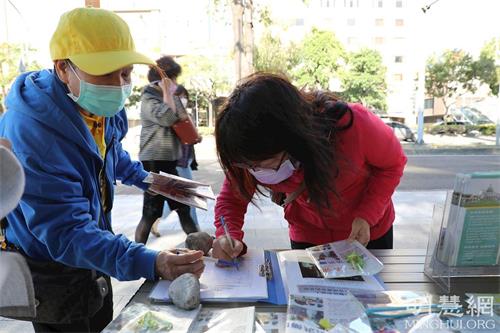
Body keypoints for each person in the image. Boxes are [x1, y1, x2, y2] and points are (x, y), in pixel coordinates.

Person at [0, 8, 204, 332]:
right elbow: (66, 234)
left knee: (100, 317)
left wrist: (148, 179)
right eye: (106, 73)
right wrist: (151, 261)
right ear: (63, 68)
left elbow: (111, 154)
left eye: (125, 74)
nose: (118, 86)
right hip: (52, 270)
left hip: (95, 248)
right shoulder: (31, 134)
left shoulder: (98, 106)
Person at [211, 73, 407, 262]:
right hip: (307, 235)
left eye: (264, 163)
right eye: (247, 165)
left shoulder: (354, 125)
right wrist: (227, 236)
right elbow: (232, 199)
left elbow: (392, 165)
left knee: (371, 293)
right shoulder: (246, 150)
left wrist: (367, 215)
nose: (254, 171)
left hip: (367, 232)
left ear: (293, 139)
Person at [135, 56, 199, 244]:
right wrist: (168, 94)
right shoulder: (148, 97)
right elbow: (167, 117)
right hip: (154, 161)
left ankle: (203, 252)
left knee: (184, 208)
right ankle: (136, 256)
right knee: (150, 213)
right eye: (172, 79)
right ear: (162, 79)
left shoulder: (172, 96)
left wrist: (171, 96)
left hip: (171, 161)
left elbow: (182, 117)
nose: (175, 83)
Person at [151, 84, 200, 237]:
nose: (183, 99)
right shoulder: (171, 115)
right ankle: (195, 230)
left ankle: (155, 218)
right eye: (180, 96)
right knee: (189, 197)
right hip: (179, 162)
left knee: (178, 198)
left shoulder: (181, 114)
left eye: (185, 96)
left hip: (185, 161)